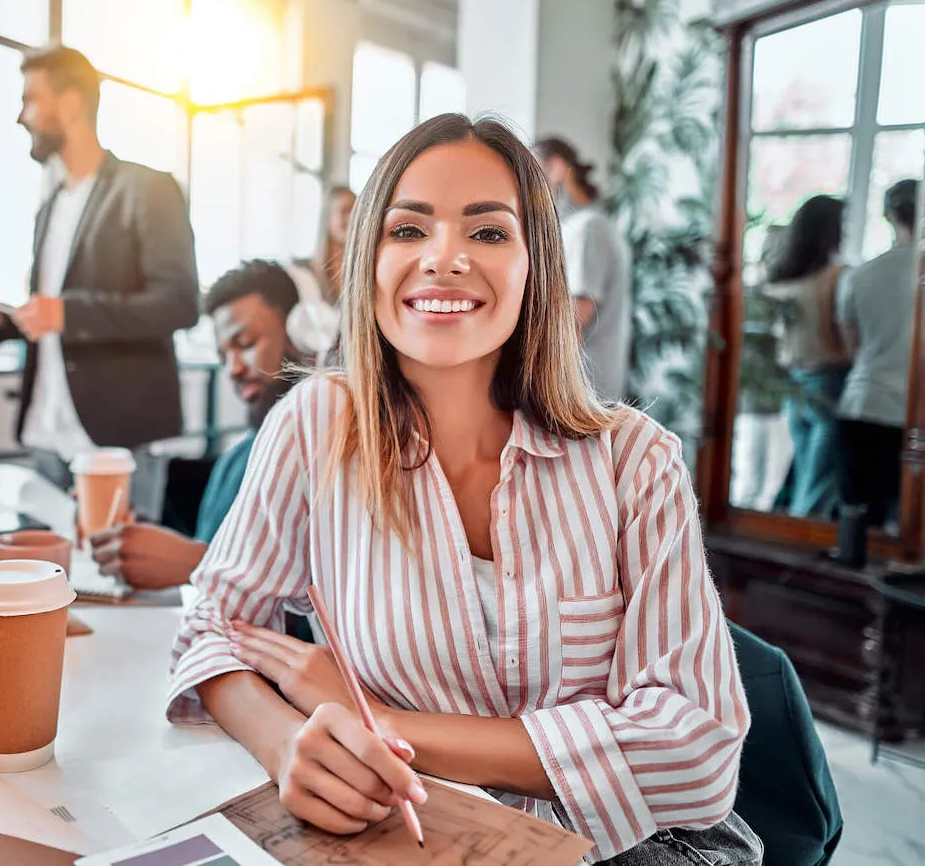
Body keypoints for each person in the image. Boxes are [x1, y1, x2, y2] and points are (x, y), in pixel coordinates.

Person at [167, 114, 758, 865]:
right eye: (408, 231)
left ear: (535, 266)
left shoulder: (634, 461)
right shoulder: (317, 425)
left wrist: (374, 720)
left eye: (486, 233)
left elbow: (696, 751)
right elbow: (212, 628)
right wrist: (285, 744)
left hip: (640, 848)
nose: (443, 259)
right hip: (419, 834)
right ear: (367, 263)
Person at [0, 46, 198, 486]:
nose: (21, 116)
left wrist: (68, 312)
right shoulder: (49, 208)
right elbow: (50, 317)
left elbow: (179, 303)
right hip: (45, 433)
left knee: (116, 557)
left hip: (118, 436)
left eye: (31, 99)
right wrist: (1, 320)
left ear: (70, 104)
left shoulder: (148, 189)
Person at [89, 260, 306, 590]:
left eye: (245, 344)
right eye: (223, 356)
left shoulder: (326, 457)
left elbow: (326, 606)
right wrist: (144, 545)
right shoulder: (237, 458)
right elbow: (208, 549)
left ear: (299, 333)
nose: (232, 369)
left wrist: (198, 563)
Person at [760, 195, 851, 519]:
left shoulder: (781, 277)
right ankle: (802, 550)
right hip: (828, 381)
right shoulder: (837, 276)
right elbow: (845, 336)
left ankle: (796, 541)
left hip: (794, 383)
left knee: (805, 471)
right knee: (817, 479)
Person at [837, 178, 919, 528]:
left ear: (888, 215)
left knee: (857, 523)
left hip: (863, 401)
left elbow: (851, 348)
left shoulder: (860, 275)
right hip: (913, 411)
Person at [535, 137, 629, 400]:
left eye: (535, 174)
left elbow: (575, 320)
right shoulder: (583, 226)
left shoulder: (588, 228)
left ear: (555, 168)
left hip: (583, 389)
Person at [285, 186, 355, 357]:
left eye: (356, 210)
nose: (352, 217)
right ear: (328, 217)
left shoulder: (361, 271)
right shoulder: (304, 273)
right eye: (344, 210)